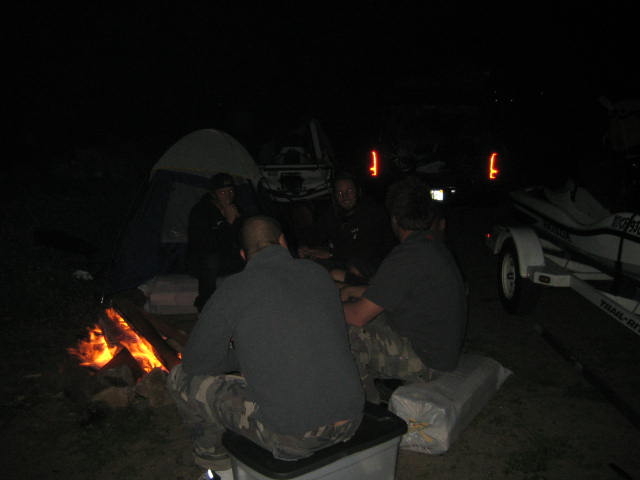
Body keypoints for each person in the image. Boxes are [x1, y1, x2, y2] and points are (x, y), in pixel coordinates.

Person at [168, 215, 364, 479]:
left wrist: (241, 357)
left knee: (181, 378)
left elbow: (195, 361)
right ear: (283, 242)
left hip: (293, 437)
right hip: (351, 419)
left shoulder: (234, 288)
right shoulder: (317, 273)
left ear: (243, 255)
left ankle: (218, 469)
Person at [340, 176, 467, 402]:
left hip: (428, 360)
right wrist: (351, 291)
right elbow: (388, 292)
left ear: (395, 219)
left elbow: (358, 316)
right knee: (360, 314)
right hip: (439, 348)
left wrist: (321, 305)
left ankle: (367, 410)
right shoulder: (429, 247)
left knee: (346, 333)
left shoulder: (408, 256)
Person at [298, 173, 396, 284]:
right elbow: (315, 233)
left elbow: (366, 250)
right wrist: (305, 247)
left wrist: (331, 253)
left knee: (344, 269)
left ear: (357, 192)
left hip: (372, 269)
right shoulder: (333, 214)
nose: (345, 197)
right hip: (342, 262)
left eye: (349, 191)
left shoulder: (372, 213)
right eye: (340, 193)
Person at [187, 173, 245, 312]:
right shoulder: (201, 211)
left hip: (228, 256)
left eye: (231, 191)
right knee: (210, 260)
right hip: (203, 258)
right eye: (223, 192)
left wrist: (236, 223)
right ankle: (205, 305)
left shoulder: (235, 208)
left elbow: (241, 237)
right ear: (214, 194)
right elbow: (204, 244)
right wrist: (228, 224)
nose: (228, 196)